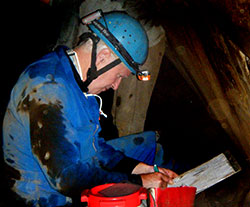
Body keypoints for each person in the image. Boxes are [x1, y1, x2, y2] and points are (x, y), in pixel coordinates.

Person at [2, 10, 177, 207]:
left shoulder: (77, 84)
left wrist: (139, 170)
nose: (116, 86)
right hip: (44, 200)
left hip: (69, 186)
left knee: (154, 149)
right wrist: (139, 183)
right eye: (119, 76)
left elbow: (94, 149)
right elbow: (66, 178)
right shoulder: (48, 89)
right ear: (102, 57)